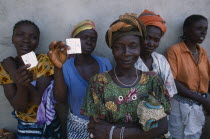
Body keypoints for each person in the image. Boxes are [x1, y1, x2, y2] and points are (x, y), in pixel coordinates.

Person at [81, 13, 171, 139]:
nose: (126, 53)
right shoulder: (99, 83)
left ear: (140, 47)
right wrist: (142, 131)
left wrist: (113, 131)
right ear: (112, 49)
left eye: (133, 46)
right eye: (119, 47)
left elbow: (161, 128)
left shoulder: (152, 81)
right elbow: (97, 131)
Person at [48, 20, 112, 139]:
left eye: (93, 39)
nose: (89, 42)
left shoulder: (105, 63)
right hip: (77, 125)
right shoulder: (65, 66)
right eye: (84, 38)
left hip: (103, 125)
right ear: (74, 40)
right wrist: (57, 68)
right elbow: (60, 99)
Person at [0, 20, 62, 138]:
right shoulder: (5, 67)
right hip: (25, 126)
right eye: (20, 35)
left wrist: (14, 73)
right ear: (12, 38)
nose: (26, 40)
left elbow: (39, 101)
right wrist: (20, 80)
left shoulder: (44, 61)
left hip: (49, 124)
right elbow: (19, 106)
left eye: (33, 37)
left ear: (38, 42)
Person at [166, 15, 210, 139]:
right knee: (177, 135)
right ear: (186, 30)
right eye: (199, 28)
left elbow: (207, 79)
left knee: (194, 135)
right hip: (180, 104)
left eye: (205, 29)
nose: (203, 32)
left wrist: (205, 101)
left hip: (199, 105)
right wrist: (204, 101)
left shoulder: (203, 52)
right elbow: (172, 82)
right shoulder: (174, 51)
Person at [135, 9, 177, 98]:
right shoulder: (129, 59)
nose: (151, 43)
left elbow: (169, 92)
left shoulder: (161, 60)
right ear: (138, 35)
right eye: (147, 38)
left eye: (156, 40)